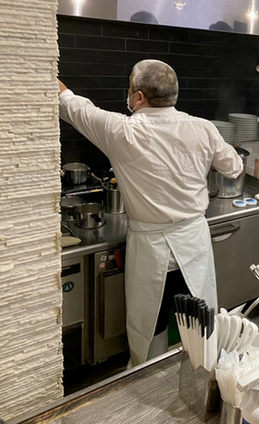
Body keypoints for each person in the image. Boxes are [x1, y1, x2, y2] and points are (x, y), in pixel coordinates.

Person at [58, 59, 243, 366]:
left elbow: (74, 106)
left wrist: (47, 73)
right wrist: (206, 160)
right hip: (193, 243)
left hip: (149, 247)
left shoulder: (121, 131)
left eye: (129, 88)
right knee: (198, 325)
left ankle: (149, 380)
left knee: (149, 330)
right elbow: (234, 167)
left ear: (139, 97)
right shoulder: (203, 129)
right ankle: (201, 376)